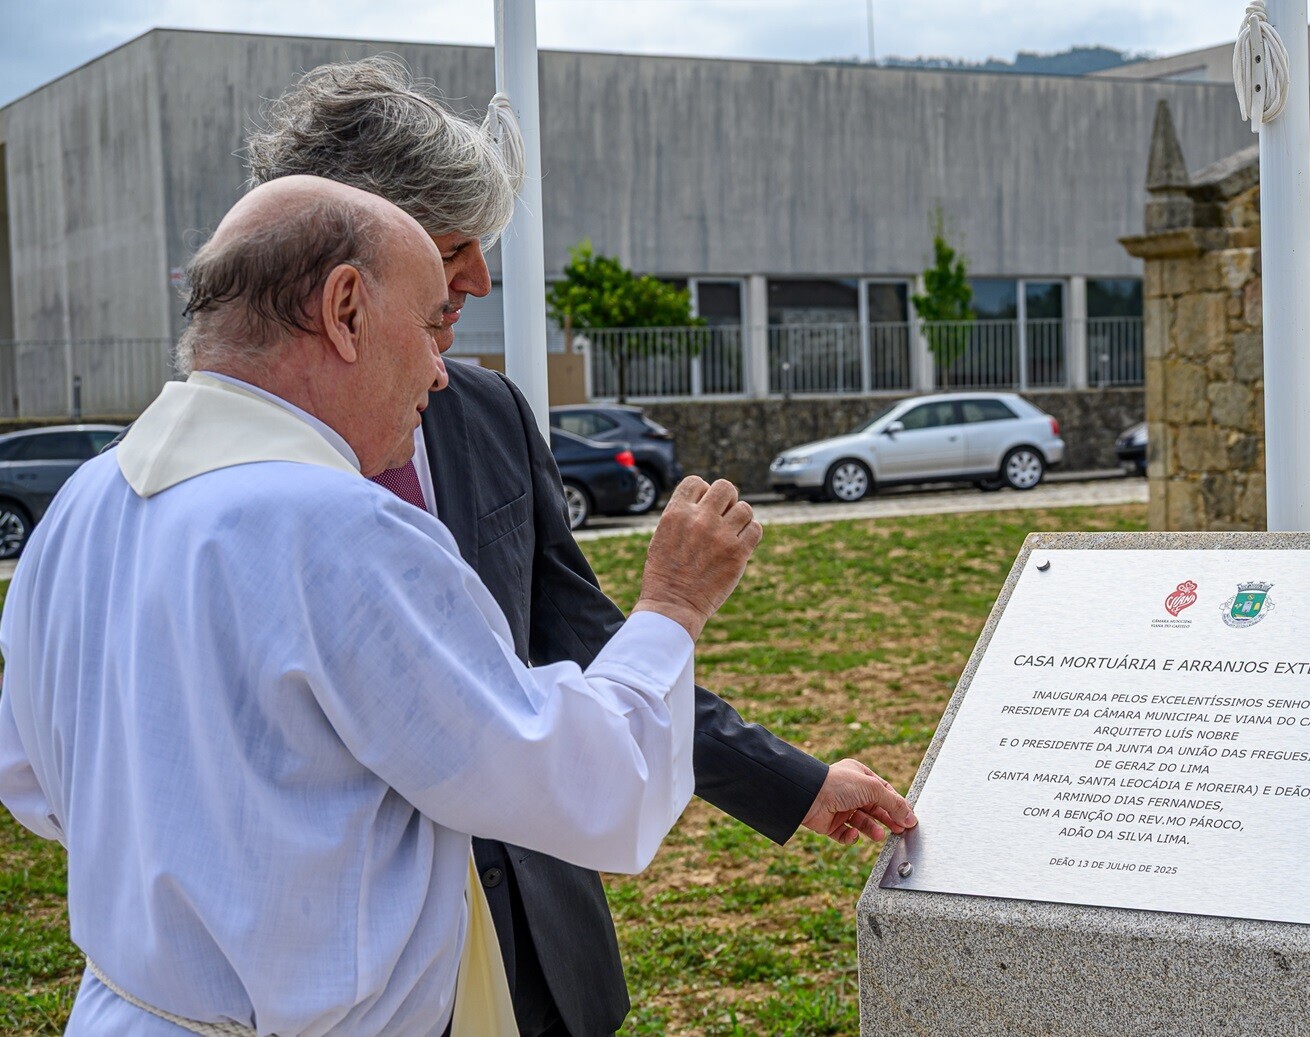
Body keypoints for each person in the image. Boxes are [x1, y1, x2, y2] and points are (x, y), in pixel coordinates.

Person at [0, 175, 764, 1036]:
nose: (440, 371)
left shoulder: (85, 501)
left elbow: (31, 780)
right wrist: (671, 605)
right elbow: (585, 785)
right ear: (346, 310)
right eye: (431, 324)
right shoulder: (340, 528)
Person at [245, 57, 917, 1036]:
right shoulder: (223, 478)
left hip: (538, 943)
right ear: (347, 271)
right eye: (455, 246)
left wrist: (794, 782)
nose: (479, 279)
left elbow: (581, 636)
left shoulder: (484, 411)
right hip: (351, 980)